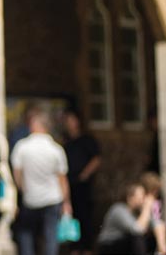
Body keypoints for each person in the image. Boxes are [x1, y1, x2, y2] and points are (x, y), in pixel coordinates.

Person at [11, 107, 71, 255]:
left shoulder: (22, 147)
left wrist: (23, 189)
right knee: (50, 238)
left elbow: (17, 176)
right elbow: (62, 180)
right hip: (52, 199)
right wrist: (66, 202)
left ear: (33, 125)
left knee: (26, 236)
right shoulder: (56, 150)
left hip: (30, 199)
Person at [62, 108, 101, 255]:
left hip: (83, 186)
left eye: (70, 119)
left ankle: (87, 249)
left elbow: (96, 159)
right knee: (73, 218)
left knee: (85, 219)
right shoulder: (66, 142)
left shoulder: (87, 140)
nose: (68, 123)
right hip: (70, 185)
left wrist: (84, 175)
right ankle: (75, 249)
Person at [96, 182, 155, 254]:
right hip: (109, 245)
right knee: (137, 238)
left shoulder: (138, 212)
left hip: (125, 243)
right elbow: (137, 230)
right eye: (142, 195)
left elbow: (156, 225)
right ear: (130, 197)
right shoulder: (118, 209)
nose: (144, 199)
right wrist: (147, 208)